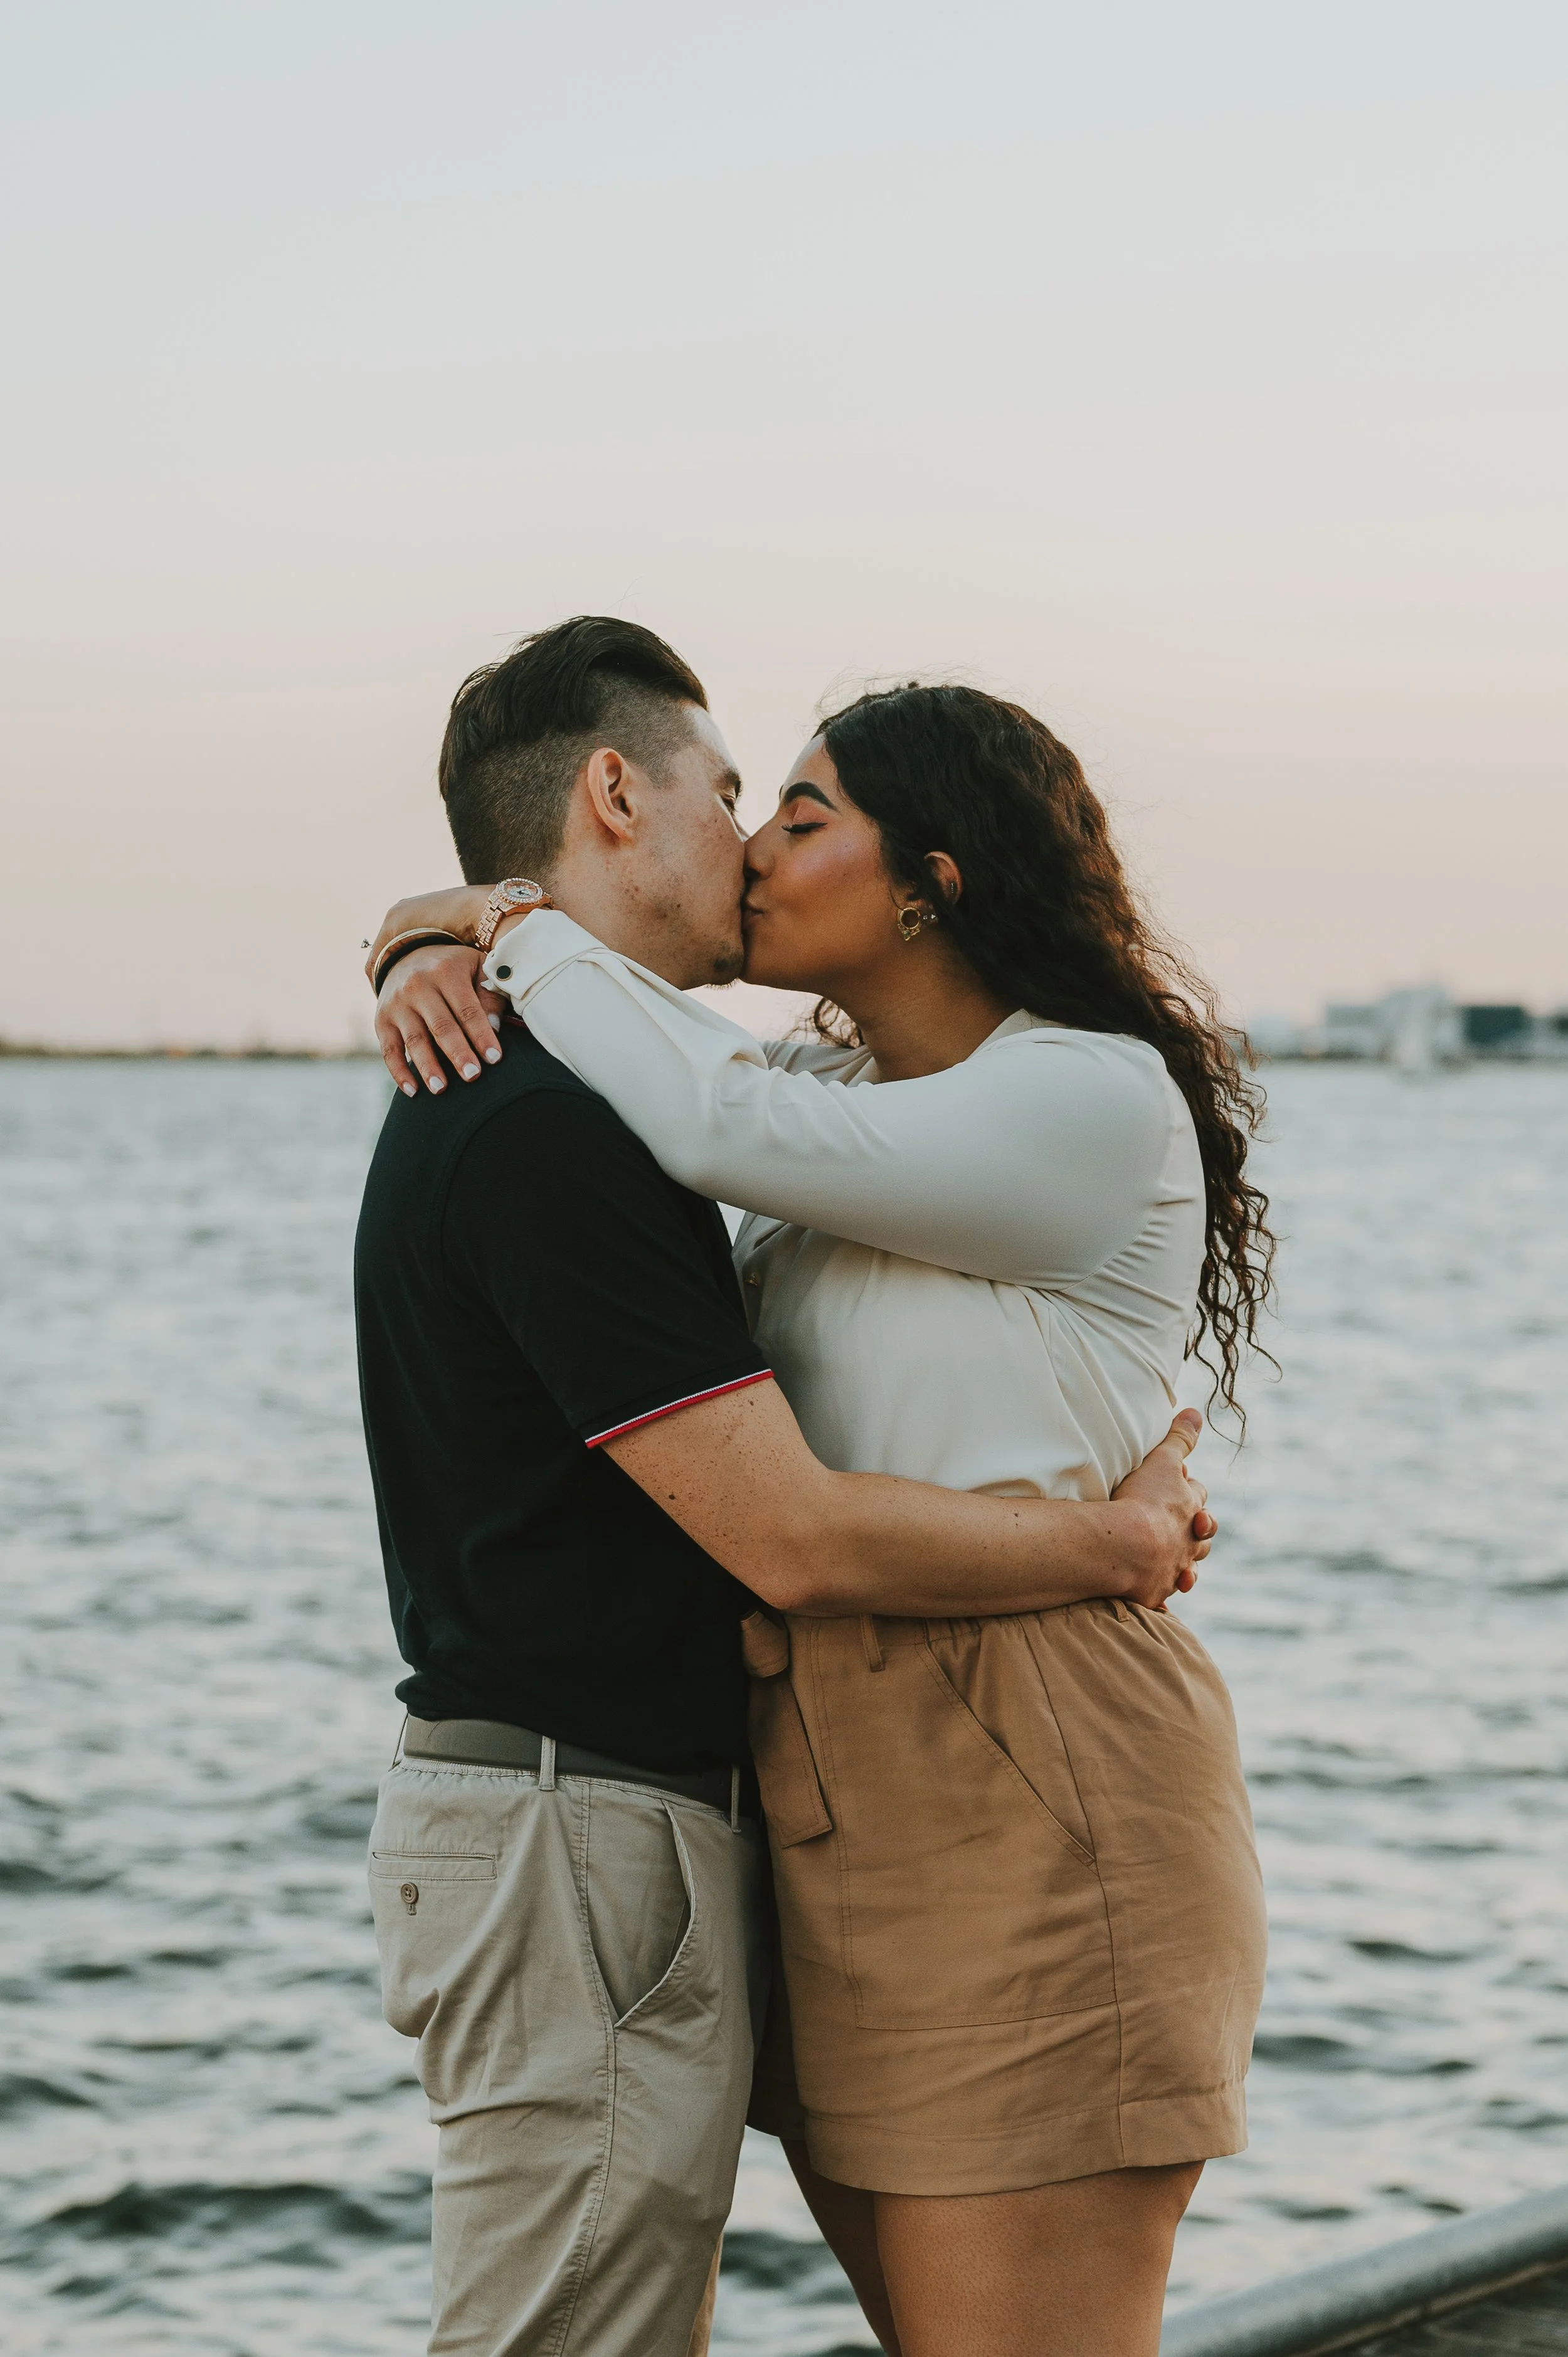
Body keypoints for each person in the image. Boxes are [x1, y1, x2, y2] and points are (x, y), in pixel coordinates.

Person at [355, 618, 1219, 2357]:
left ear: (932, 881)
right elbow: (722, 1114)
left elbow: (717, 1127)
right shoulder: (779, 1099)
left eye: (797, 811)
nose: (751, 843)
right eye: (742, 795)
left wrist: (496, 919)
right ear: (614, 790)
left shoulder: (1075, 1094)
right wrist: (425, 934)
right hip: (820, 1782)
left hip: (1023, 1760)